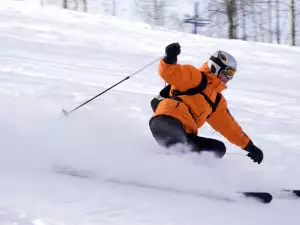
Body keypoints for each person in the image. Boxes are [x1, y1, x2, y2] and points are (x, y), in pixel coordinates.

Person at [149, 43, 264, 164]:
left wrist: (250, 147)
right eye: (228, 72)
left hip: (184, 133)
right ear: (216, 67)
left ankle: (176, 175)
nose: (229, 78)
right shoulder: (195, 77)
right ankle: (163, 166)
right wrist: (170, 58)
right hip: (168, 120)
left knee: (217, 150)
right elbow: (170, 72)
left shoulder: (216, 101)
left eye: (232, 74)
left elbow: (229, 127)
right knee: (182, 148)